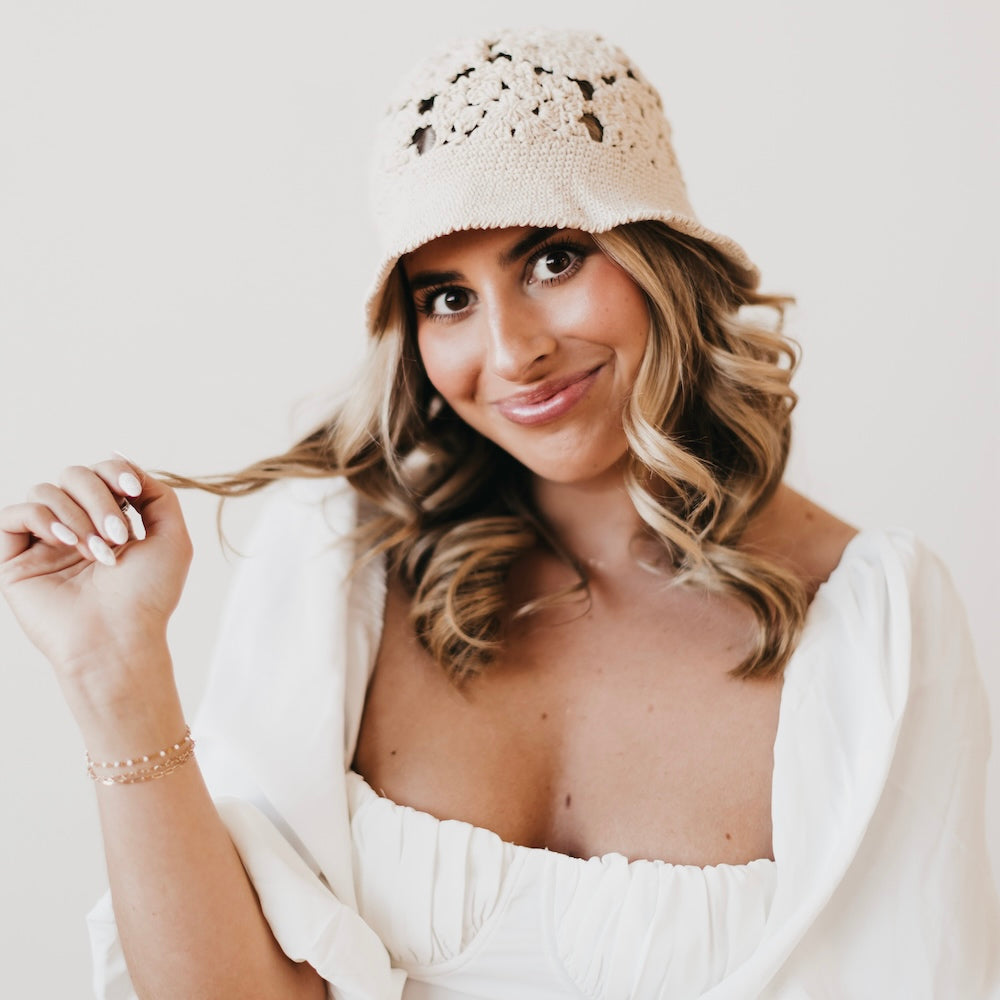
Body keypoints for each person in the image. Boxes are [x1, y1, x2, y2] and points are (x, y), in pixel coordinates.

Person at [1, 27, 997, 1000]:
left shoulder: (878, 620)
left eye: (553, 260)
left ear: (658, 258)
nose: (513, 352)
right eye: (447, 298)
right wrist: (114, 673)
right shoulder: (336, 556)